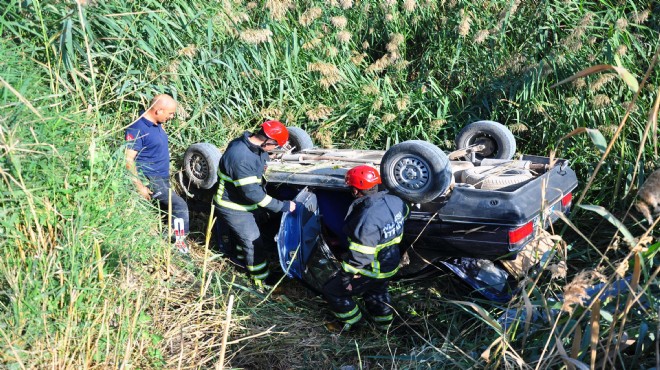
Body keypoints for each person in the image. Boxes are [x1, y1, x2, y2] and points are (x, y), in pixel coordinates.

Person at [322, 165, 409, 331]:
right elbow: (406, 214)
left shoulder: (366, 219)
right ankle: (386, 328)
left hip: (373, 269)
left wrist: (346, 278)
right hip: (391, 261)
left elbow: (361, 257)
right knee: (377, 293)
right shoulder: (396, 201)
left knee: (333, 290)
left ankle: (355, 325)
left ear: (355, 191)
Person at [214, 120, 296, 288]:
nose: (274, 150)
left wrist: (269, 157)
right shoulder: (241, 158)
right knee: (253, 242)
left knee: (243, 238)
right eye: (275, 146)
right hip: (234, 206)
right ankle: (261, 280)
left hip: (243, 203)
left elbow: (260, 158)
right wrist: (282, 207)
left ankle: (240, 261)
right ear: (268, 141)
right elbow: (252, 194)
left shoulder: (248, 144)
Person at [125, 94, 190, 253]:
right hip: (150, 178)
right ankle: (179, 244)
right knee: (179, 205)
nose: (172, 116)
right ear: (158, 110)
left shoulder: (156, 123)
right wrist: (139, 185)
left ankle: (163, 239)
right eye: (170, 113)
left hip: (162, 176)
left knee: (167, 210)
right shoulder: (137, 128)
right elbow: (128, 160)